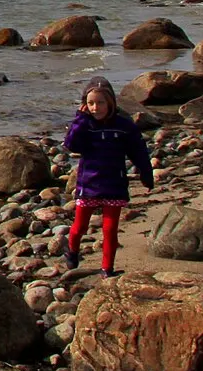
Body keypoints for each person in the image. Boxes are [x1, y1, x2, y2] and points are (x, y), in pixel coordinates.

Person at [63, 75, 153, 276]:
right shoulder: (85, 124)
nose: (96, 108)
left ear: (110, 102)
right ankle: (72, 251)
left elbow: (138, 150)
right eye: (91, 103)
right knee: (79, 227)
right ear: (85, 105)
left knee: (110, 230)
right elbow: (71, 145)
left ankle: (107, 268)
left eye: (100, 103)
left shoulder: (123, 126)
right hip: (88, 185)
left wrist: (146, 173)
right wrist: (81, 119)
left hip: (114, 184)